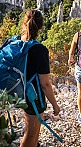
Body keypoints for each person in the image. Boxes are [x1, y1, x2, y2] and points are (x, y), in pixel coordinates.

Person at [20, 10, 61, 147]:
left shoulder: (18, 43)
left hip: (21, 91)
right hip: (33, 96)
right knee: (31, 134)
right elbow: (45, 84)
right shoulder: (39, 49)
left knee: (33, 133)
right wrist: (55, 105)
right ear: (41, 27)